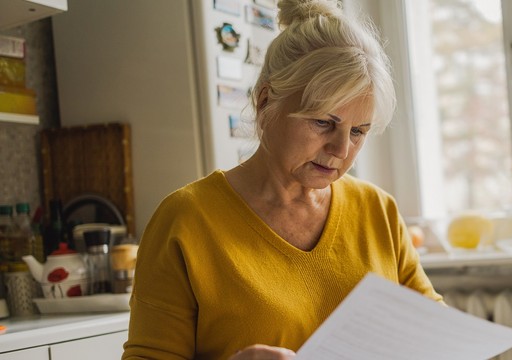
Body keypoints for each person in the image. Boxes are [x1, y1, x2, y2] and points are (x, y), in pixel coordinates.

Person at [121, 0, 443, 359]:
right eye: (323, 122)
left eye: (358, 131)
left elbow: (435, 331)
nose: (340, 149)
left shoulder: (377, 210)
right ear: (265, 102)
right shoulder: (186, 220)